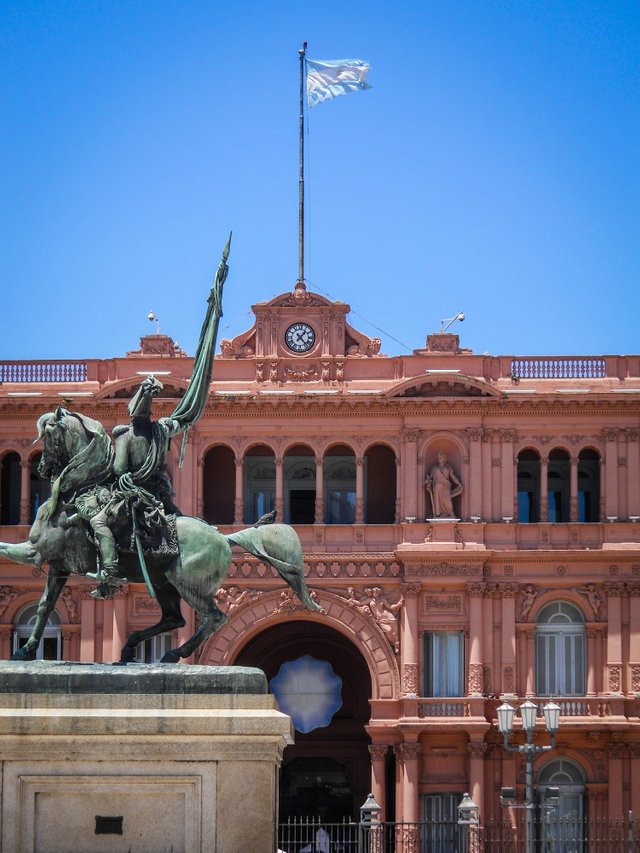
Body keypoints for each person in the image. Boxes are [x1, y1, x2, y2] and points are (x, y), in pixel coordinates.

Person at [86, 375, 182, 598]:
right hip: (158, 494)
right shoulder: (160, 432)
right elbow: (182, 419)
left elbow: (119, 468)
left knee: (97, 520)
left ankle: (109, 572)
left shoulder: (126, 435)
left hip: (134, 495)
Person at [425, 450, 463, 518]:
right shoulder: (434, 468)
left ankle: (450, 513)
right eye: (438, 457)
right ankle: (439, 515)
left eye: (441, 456)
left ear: (444, 458)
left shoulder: (448, 467)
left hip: (446, 487)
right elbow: (430, 478)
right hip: (437, 488)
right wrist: (427, 482)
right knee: (437, 502)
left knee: (448, 501)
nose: (439, 458)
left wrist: (459, 484)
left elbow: (453, 477)